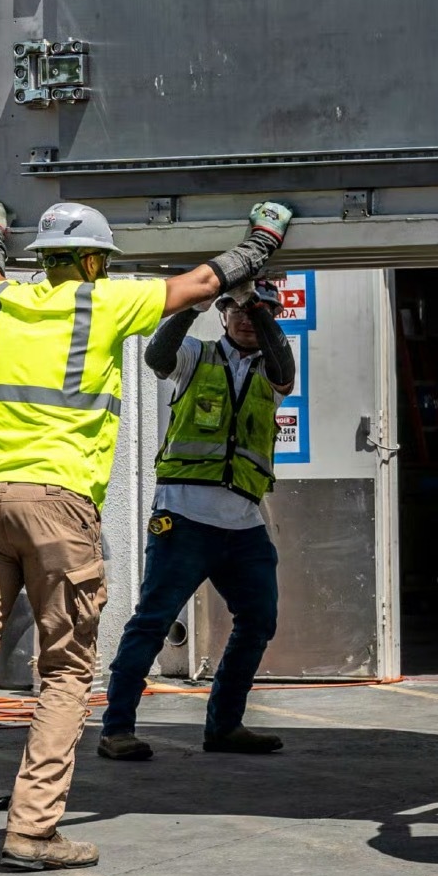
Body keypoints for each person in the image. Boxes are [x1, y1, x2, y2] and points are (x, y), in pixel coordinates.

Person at [0, 197, 293, 876]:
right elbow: (203, 283)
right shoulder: (103, 302)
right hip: (57, 504)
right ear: (92, 260)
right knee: (62, 672)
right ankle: (31, 834)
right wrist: (262, 239)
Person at [97, 278, 297, 760]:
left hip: (244, 523)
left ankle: (224, 726)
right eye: (238, 310)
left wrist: (256, 302)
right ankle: (116, 729)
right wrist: (196, 305)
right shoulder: (195, 354)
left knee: (258, 620)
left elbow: (283, 366)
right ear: (223, 314)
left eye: (259, 311)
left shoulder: (273, 371)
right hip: (183, 518)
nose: (247, 318)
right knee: (152, 621)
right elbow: (156, 357)